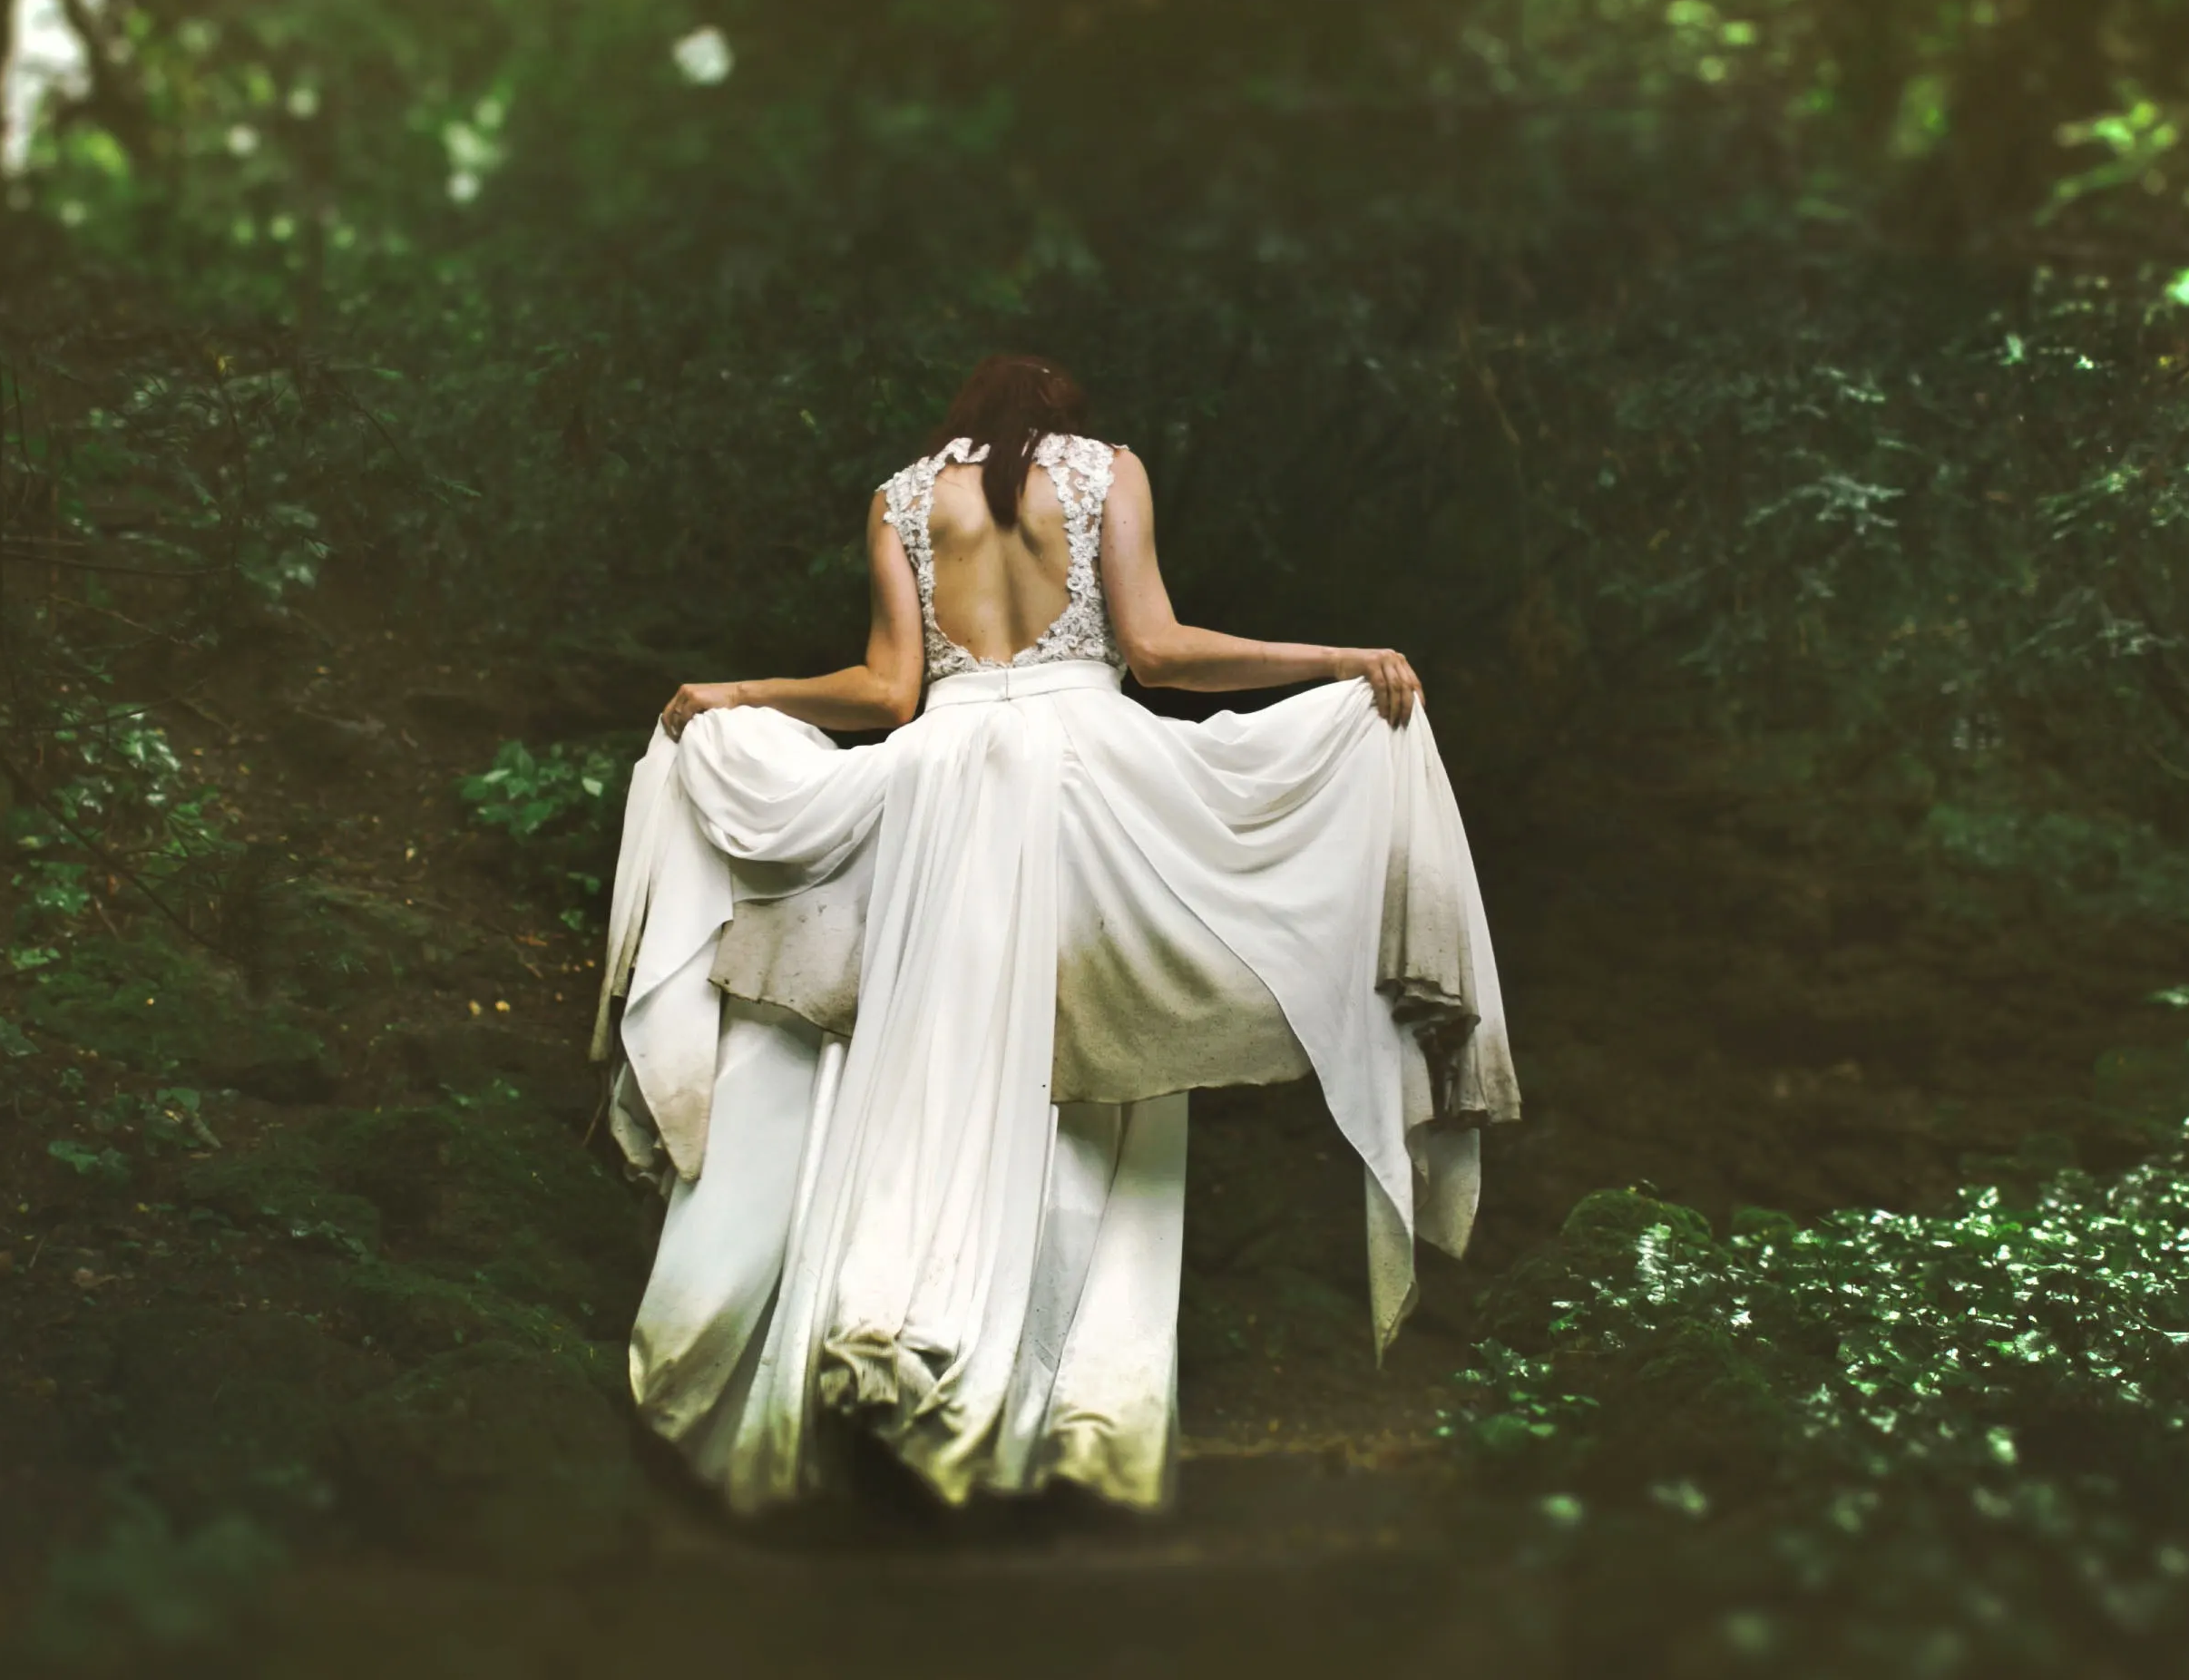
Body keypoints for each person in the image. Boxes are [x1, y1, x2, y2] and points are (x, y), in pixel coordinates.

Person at [590, 355, 1517, 1512]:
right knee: (1096, 1064)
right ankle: (1064, 1416)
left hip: (935, 789)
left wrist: (739, 696)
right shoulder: (1102, 471)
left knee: (921, 1060)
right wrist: (1339, 661)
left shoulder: (901, 496)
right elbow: (1159, 653)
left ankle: (882, 1327)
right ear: (1062, 417)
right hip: (1085, 785)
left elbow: (885, 694)